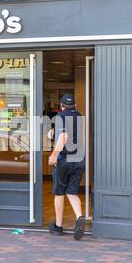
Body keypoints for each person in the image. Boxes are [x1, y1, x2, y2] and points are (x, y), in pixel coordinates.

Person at [47, 93, 86, 240]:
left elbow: (64, 137)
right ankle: (79, 217)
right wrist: (54, 133)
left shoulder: (60, 116)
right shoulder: (80, 116)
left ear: (61, 106)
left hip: (64, 160)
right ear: (75, 105)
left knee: (59, 193)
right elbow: (71, 134)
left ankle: (58, 226)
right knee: (72, 192)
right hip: (79, 159)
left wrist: (53, 155)